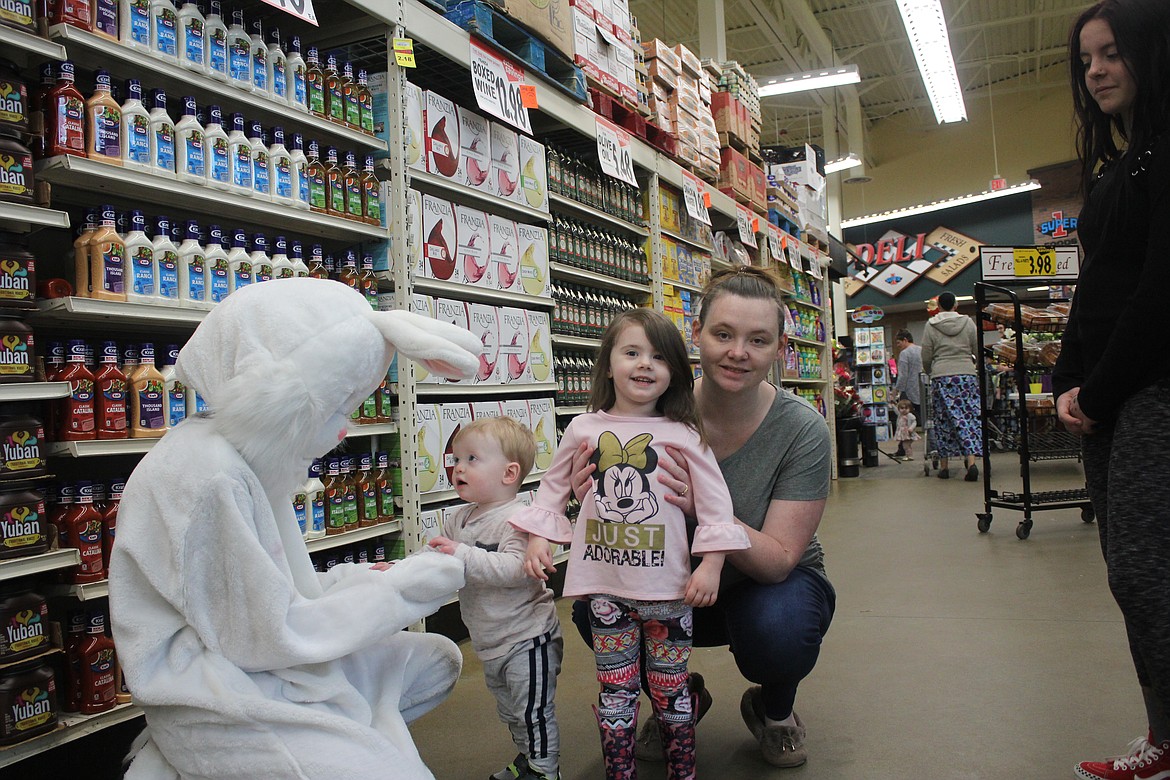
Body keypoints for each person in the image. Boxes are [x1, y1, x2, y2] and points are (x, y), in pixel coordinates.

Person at [107, 279, 483, 780]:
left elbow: (277, 589)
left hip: (254, 654)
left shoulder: (248, 460)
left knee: (436, 660)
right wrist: (398, 592)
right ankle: (190, 755)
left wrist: (363, 579)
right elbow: (262, 637)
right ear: (275, 397)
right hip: (212, 687)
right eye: (333, 409)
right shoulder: (210, 475)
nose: (343, 428)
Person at [566, 267, 835, 770]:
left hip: (766, 585)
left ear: (779, 349)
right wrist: (587, 500)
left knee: (779, 629)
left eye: (758, 340)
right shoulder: (643, 412)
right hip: (671, 586)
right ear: (697, 334)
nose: (739, 352)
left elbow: (777, 561)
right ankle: (678, 693)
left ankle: (773, 710)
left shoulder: (802, 430)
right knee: (595, 609)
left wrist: (705, 508)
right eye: (723, 334)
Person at [512, 307, 751, 780]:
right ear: (608, 364)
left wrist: (712, 564)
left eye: (659, 357)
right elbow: (553, 489)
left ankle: (682, 772)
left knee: (671, 691)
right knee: (615, 691)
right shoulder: (582, 429)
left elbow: (715, 503)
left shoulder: (685, 435)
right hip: (605, 591)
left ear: (675, 373)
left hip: (669, 592)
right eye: (632, 352)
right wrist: (539, 540)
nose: (645, 364)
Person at [1055, 2, 1170, 778]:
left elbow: (1160, 294)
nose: (1096, 69)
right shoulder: (1121, 163)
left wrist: (1098, 391)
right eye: (1087, 58)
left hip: (1154, 390)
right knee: (1132, 572)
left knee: (1146, 566)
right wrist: (1066, 378)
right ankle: (1163, 738)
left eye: (1112, 53)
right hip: (1110, 398)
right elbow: (1097, 285)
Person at [426, 416, 563, 780]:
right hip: (490, 640)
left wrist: (461, 554)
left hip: (527, 638)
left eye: (472, 459)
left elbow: (516, 569)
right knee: (511, 711)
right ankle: (528, 759)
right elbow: (439, 560)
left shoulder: (519, 519)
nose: (459, 468)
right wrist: (400, 570)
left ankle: (546, 771)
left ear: (509, 473)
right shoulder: (459, 518)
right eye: (456, 460)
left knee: (533, 710)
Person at [920, 291, 982, 481]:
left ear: (938, 307)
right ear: (956, 306)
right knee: (968, 418)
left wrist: (931, 370)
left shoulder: (931, 325)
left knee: (943, 420)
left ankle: (945, 467)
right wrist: (975, 366)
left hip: (941, 375)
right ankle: (971, 463)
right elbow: (977, 347)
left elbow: (926, 354)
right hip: (966, 374)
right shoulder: (968, 323)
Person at [892, 329, 923, 456]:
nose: (898, 346)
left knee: (903, 419)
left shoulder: (905, 354)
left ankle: (903, 449)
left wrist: (895, 391)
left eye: (899, 343)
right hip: (922, 388)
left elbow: (903, 375)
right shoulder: (921, 350)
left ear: (905, 340)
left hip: (909, 390)